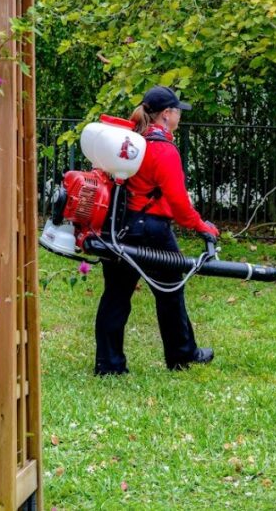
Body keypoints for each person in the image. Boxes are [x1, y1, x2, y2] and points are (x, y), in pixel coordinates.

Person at [94, 85, 221, 376]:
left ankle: (109, 365)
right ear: (166, 114)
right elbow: (178, 202)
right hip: (152, 230)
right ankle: (183, 355)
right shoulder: (163, 149)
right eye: (177, 112)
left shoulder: (130, 141)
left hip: (118, 226)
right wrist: (203, 227)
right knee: (171, 291)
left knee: (115, 295)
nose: (179, 117)